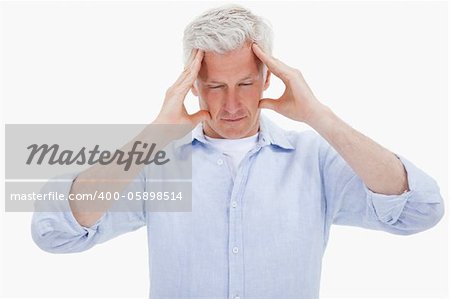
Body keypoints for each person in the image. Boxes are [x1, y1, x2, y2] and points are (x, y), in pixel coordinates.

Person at [31, 4, 445, 298]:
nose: (231, 105)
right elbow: (56, 231)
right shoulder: (158, 164)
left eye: (245, 83)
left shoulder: (315, 158)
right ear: (191, 84)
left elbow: (419, 210)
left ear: (268, 78)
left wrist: (320, 116)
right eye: (214, 86)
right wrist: (153, 135)